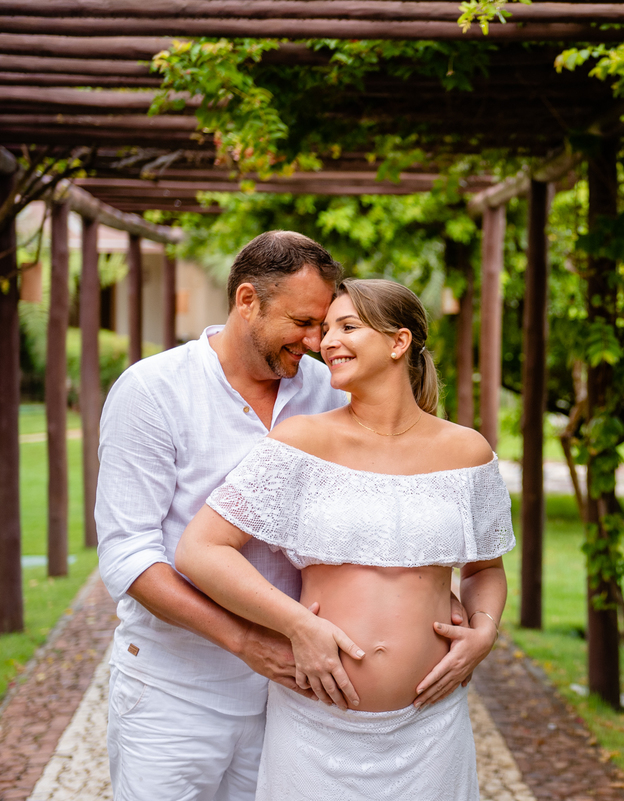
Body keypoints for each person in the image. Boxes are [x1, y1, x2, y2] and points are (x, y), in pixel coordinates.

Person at [95, 234, 470, 801]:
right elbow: (129, 555)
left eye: (326, 324)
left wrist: (433, 593)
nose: (318, 341)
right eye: (303, 322)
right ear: (247, 300)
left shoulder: (329, 389)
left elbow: (386, 490)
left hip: (294, 700)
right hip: (176, 692)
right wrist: (248, 642)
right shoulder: (152, 391)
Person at [175, 278, 512, 801]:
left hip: (432, 731)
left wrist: (484, 632)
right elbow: (201, 550)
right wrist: (297, 627)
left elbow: (485, 569)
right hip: (314, 729)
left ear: (398, 343)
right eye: (325, 329)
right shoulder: (301, 441)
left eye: (347, 327)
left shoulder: (466, 452)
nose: (326, 341)